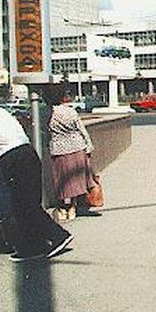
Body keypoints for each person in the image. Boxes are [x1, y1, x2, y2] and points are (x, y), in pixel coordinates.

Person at [0, 95, 73, 262]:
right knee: (26, 203)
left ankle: (58, 236)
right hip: (28, 152)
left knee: (23, 205)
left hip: (13, 159)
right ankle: (34, 247)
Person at [46, 84, 99, 222]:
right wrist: (89, 147)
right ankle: (73, 207)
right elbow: (82, 130)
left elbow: (45, 131)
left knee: (61, 179)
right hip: (77, 147)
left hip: (59, 150)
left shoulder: (47, 112)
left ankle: (63, 207)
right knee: (75, 180)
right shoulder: (71, 111)